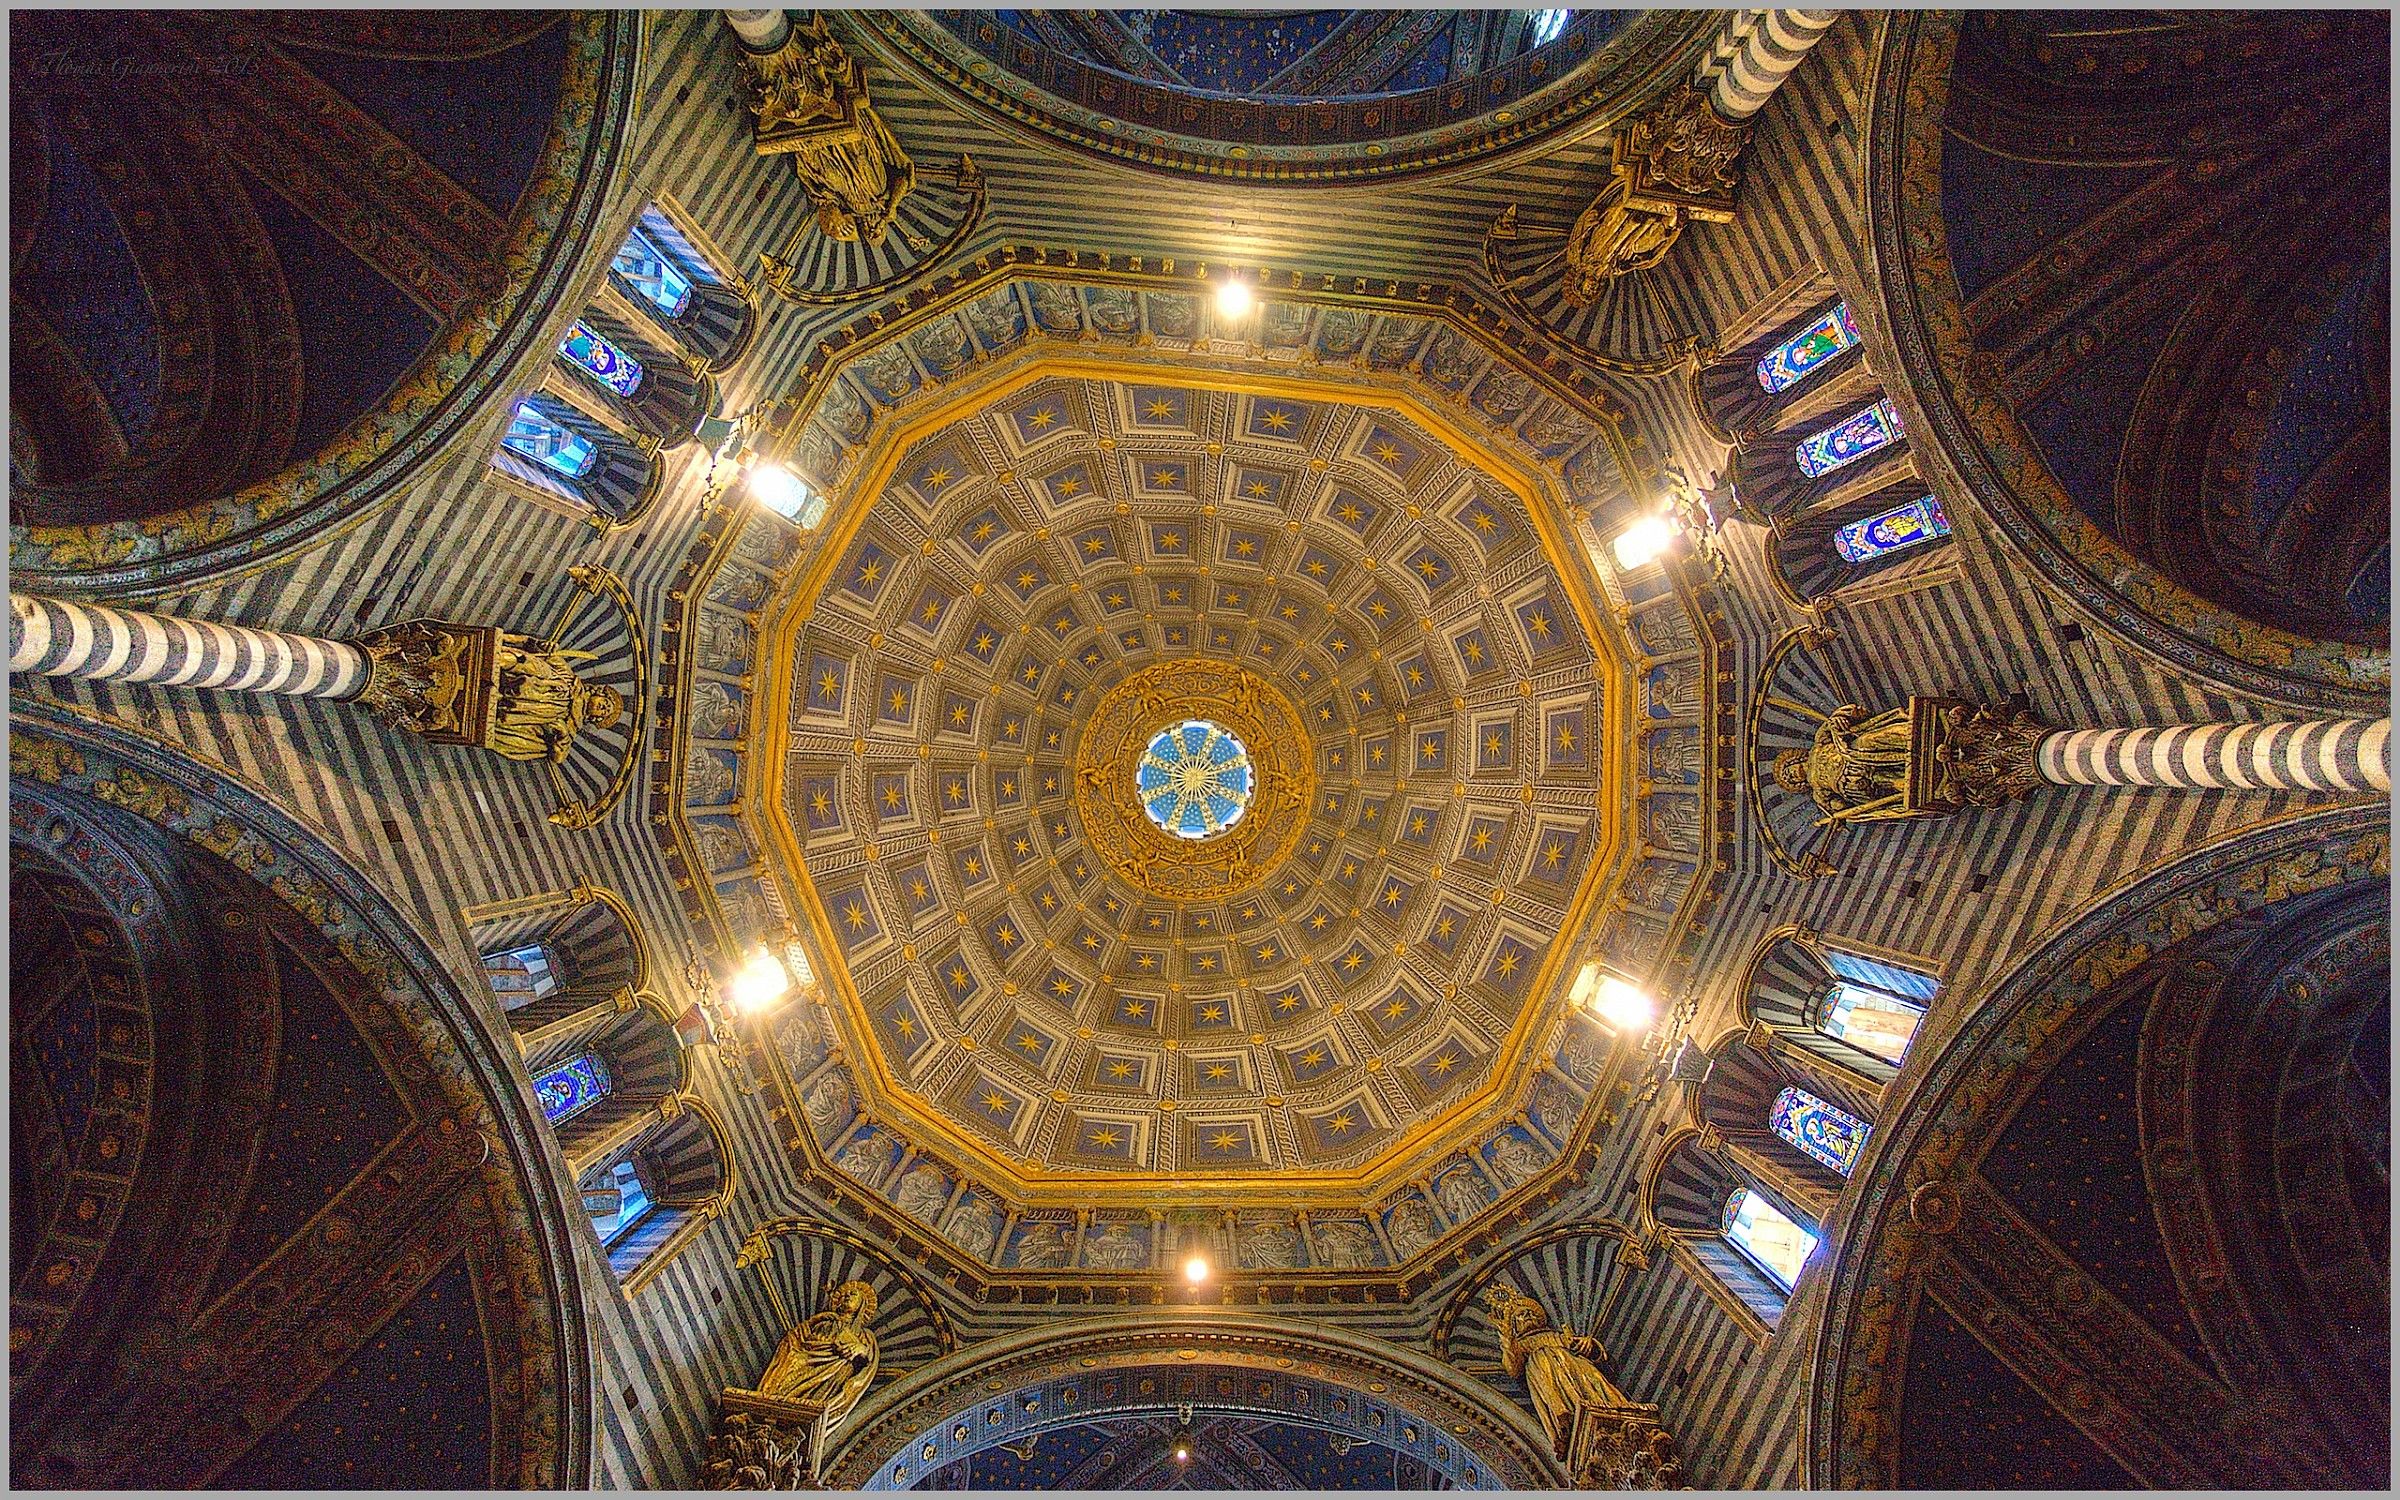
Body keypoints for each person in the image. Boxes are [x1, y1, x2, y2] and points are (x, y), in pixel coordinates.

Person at [1485, 1286, 1635, 1459]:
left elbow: (1591, 1352)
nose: (1527, 1315)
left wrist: (1589, 1345)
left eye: (1529, 1312)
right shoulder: (1520, 1345)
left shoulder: (1557, 1335)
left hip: (1577, 1366)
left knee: (1593, 1382)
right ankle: (1568, 1421)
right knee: (1549, 1375)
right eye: (1520, 1314)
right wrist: (1506, 1338)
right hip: (1546, 1372)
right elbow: (1513, 1368)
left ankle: (1608, 1404)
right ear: (1514, 1326)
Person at [755, 1279, 878, 1431]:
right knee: (794, 1362)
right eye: (844, 1294)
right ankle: (773, 1402)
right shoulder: (826, 1319)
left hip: (835, 1367)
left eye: (853, 1295)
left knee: (839, 1374)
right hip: (810, 1353)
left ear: (861, 1305)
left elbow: (870, 1360)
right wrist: (818, 1319)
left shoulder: (864, 1335)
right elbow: (797, 1336)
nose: (847, 1296)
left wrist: (860, 1348)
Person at [1773, 703, 1915, 822]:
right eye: (1791, 779)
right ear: (1797, 784)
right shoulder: (1817, 791)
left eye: (1789, 771)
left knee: (1867, 741)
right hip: (1849, 783)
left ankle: (1908, 735)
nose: (1793, 775)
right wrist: (1836, 809)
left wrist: (1838, 720)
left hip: (1851, 753)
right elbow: (1836, 805)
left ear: (1793, 761)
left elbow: (1831, 724)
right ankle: (1903, 783)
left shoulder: (1817, 746)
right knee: (1865, 783)